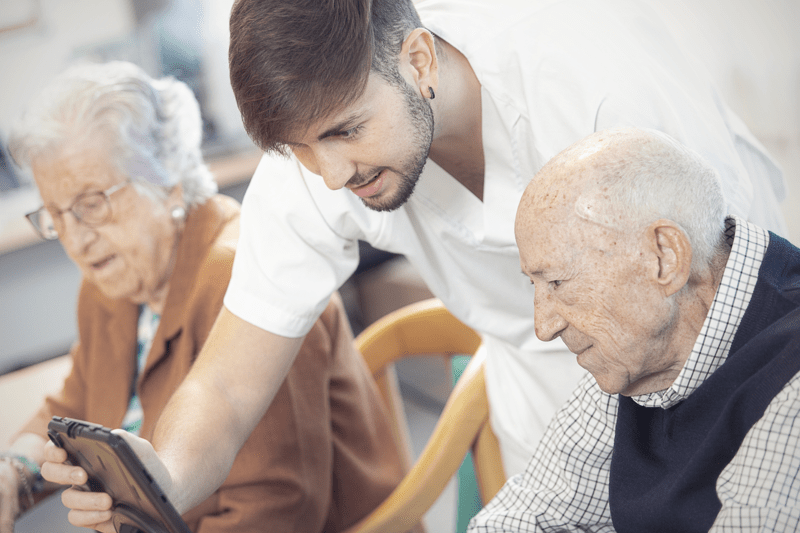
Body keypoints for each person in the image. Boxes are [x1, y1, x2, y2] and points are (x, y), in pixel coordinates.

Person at [43, 0, 791, 528]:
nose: (330, 175)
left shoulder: (588, 77)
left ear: (420, 60)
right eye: (302, 150)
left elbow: (721, 294)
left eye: (345, 132)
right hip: (556, 414)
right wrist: (161, 476)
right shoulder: (317, 153)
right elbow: (230, 384)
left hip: (726, 360)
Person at [3, 61, 403, 533]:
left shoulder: (249, 278)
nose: (75, 239)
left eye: (91, 205)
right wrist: (14, 470)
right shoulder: (111, 286)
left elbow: (278, 508)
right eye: (55, 215)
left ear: (168, 181)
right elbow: (73, 405)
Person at [469, 126, 800, 532]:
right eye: (533, 285)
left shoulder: (791, 379)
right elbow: (520, 518)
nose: (544, 326)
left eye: (557, 282)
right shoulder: (640, 345)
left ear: (663, 257)